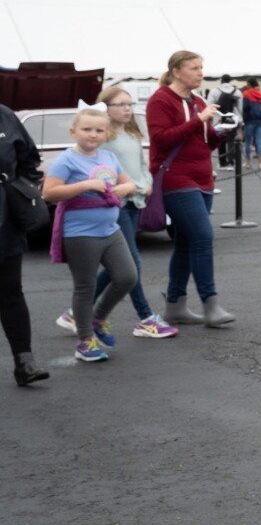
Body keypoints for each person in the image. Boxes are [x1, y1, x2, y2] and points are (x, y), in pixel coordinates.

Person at [59, 87, 176, 340]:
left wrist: (146, 183)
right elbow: (100, 171)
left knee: (121, 268)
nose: (127, 108)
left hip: (135, 201)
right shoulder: (103, 138)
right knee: (132, 264)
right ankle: (144, 317)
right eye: (121, 104)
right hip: (115, 206)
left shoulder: (132, 132)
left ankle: (73, 313)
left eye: (129, 104)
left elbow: (141, 165)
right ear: (106, 108)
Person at [42, 107, 140, 363]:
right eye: (86, 129)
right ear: (74, 132)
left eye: (99, 130)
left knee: (128, 276)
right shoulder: (66, 160)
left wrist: (124, 188)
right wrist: (86, 185)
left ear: (106, 134)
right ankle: (84, 341)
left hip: (110, 229)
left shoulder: (108, 157)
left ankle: (98, 318)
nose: (93, 135)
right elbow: (49, 193)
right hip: (80, 233)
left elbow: (129, 183)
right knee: (86, 287)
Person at [147, 50, 235, 327]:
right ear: (176, 71)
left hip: (202, 179)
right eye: (194, 68)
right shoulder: (161, 100)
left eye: (201, 67)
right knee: (202, 238)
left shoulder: (197, 101)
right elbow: (161, 140)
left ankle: (175, 305)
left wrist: (224, 131)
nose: (201, 73)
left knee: (186, 243)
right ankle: (211, 304)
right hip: (177, 179)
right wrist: (198, 121)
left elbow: (206, 143)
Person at [1, 100, 49, 386]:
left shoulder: (5, 115)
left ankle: (25, 362)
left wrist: (22, 189)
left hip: (5, 218)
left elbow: (29, 158)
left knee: (10, 292)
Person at [241, 78, 261, 169]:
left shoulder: (246, 93)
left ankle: (248, 162)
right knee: (259, 141)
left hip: (249, 120)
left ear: (249, 84)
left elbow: (244, 107)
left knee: (248, 142)